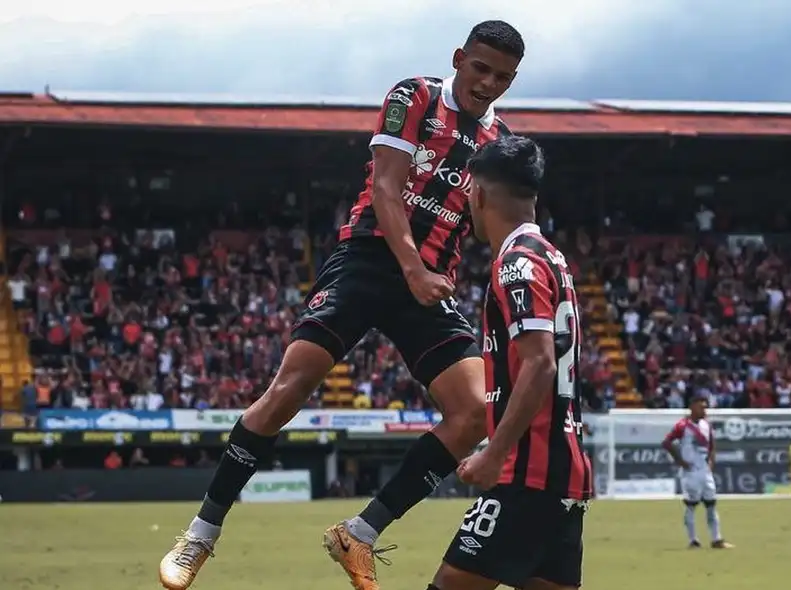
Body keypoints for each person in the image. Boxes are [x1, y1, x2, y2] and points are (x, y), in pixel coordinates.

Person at [158, 20, 524, 590]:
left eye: (502, 77)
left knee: (475, 410)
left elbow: (488, 222)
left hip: (430, 282)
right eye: (480, 68)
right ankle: (200, 535)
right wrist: (413, 269)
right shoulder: (414, 96)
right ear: (458, 58)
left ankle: (360, 532)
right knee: (291, 387)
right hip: (369, 260)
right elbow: (385, 188)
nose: (488, 84)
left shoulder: (499, 142)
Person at [426, 135, 592, 590]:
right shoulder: (553, 258)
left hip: (525, 473)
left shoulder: (517, 264)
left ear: (478, 194)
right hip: (562, 474)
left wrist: (493, 453)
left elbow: (540, 364)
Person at [662, 393, 733, 549]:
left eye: (705, 407)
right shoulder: (682, 426)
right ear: (692, 407)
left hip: (705, 472)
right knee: (691, 505)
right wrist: (680, 461)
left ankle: (717, 539)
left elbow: (712, 446)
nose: (704, 410)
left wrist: (711, 463)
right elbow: (666, 442)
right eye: (701, 407)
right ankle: (693, 540)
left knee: (711, 504)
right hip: (691, 472)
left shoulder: (707, 425)